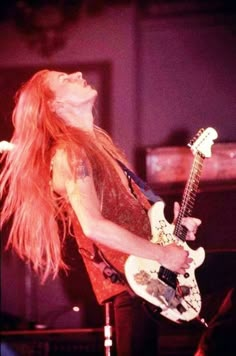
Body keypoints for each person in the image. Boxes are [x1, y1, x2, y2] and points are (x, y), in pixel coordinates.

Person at [0, 69, 201, 355]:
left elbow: (129, 216)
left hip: (153, 275)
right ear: (56, 106)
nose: (78, 73)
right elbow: (93, 225)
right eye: (65, 79)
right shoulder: (70, 153)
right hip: (134, 282)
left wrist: (174, 232)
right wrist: (163, 254)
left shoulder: (99, 145)